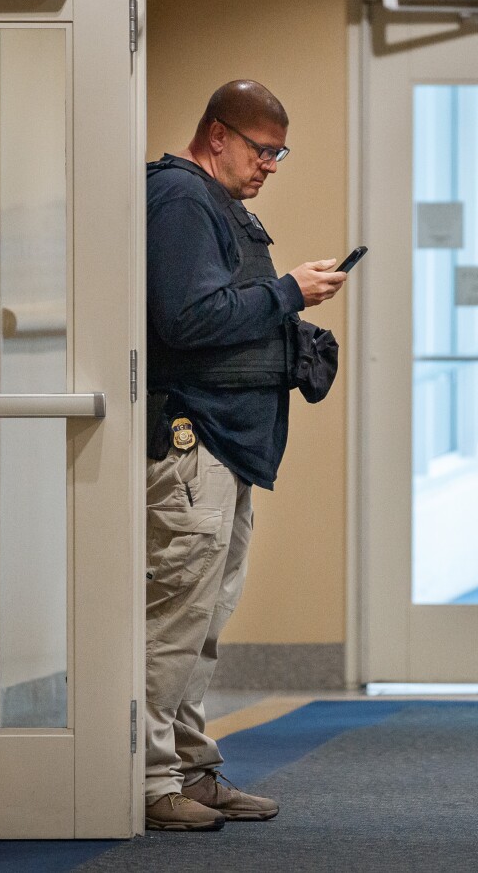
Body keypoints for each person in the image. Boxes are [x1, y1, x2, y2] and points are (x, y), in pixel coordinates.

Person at [143, 80, 346, 830]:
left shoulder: (218, 205)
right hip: (191, 439)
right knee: (172, 623)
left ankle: (191, 770)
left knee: (201, 625)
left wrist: (288, 320)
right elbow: (187, 318)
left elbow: (222, 314)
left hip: (227, 444)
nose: (269, 166)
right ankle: (147, 778)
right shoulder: (182, 200)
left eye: (278, 154)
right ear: (217, 134)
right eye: (262, 150)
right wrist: (288, 294)